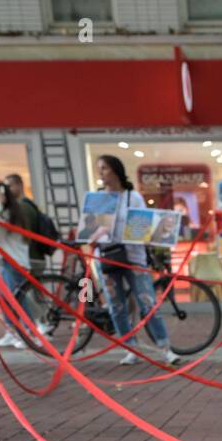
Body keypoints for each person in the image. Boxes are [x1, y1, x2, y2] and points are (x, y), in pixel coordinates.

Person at [93, 154, 179, 366]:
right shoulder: (98, 199)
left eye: (104, 168)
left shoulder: (133, 197)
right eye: (99, 169)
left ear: (115, 170)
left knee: (147, 303)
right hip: (107, 258)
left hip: (133, 258)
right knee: (116, 306)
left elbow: (143, 227)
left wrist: (150, 233)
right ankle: (131, 348)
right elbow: (93, 229)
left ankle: (165, 348)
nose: (101, 173)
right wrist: (93, 236)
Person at [0, 181, 37, 346]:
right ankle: (12, 330)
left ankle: (28, 332)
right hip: (6, 261)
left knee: (17, 298)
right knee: (5, 297)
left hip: (14, 262)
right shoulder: (7, 212)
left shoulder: (8, 213)